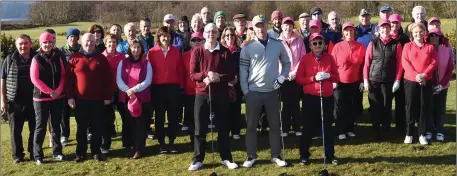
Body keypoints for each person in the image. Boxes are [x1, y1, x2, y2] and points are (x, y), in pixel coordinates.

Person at [240, 15, 290, 168]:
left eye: (262, 25)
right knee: (251, 126)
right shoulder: (247, 47)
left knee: (275, 125)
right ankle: (251, 155)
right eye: (257, 26)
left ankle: (276, 155)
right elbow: (243, 71)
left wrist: (282, 77)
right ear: (253, 28)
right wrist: (246, 91)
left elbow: (287, 62)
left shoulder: (277, 44)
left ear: (267, 26)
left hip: (272, 91)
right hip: (253, 91)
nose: (260, 29)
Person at [188, 23, 238, 171]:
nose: (211, 34)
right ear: (204, 34)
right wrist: (205, 75)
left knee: (223, 127)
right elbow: (193, 74)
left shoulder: (225, 52)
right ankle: (198, 159)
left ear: (218, 34)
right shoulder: (197, 52)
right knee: (200, 128)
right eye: (208, 32)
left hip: (221, 94)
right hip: (202, 94)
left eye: (214, 32)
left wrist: (218, 77)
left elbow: (231, 74)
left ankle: (226, 158)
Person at [66, 33, 113, 162]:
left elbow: (108, 79)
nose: (89, 44)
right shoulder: (74, 58)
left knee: (97, 127)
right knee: (81, 128)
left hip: (98, 100)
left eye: (92, 41)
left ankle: (96, 152)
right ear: (81, 41)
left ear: (95, 42)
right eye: (87, 41)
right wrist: (70, 97)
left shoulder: (101, 59)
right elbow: (68, 79)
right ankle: (80, 153)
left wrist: (107, 96)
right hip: (80, 100)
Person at [296, 33, 339, 165]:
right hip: (311, 98)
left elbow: (336, 77)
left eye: (320, 43)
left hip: (326, 97)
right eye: (314, 43)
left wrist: (328, 75)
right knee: (308, 128)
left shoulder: (330, 58)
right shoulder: (305, 59)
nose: (318, 45)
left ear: (324, 45)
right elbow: (299, 79)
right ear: (310, 45)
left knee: (327, 127)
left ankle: (330, 155)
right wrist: (313, 78)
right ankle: (304, 155)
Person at [363, 19, 403, 141]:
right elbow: (366, 63)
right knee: (375, 107)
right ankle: (375, 131)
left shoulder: (396, 44)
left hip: (388, 81)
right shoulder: (372, 43)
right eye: (382, 28)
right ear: (378, 29)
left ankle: (386, 131)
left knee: (386, 106)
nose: (384, 30)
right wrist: (365, 79)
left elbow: (400, 64)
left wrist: (397, 80)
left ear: (390, 29)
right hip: (373, 79)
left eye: (387, 27)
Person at [30, 32, 66, 165]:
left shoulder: (58, 57)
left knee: (56, 126)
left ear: (53, 43)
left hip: (57, 97)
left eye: (50, 42)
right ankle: (38, 155)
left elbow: (63, 75)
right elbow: (35, 79)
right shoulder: (36, 59)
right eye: (45, 42)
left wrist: (58, 90)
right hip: (41, 99)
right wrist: (50, 92)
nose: (48, 44)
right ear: (41, 43)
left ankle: (57, 152)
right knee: (40, 127)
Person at [1, 34, 37, 163]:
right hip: (14, 101)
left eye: (26, 43)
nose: (23, 46)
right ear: (16, 45)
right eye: (20, 43)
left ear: (30, 43)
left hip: (34, 100)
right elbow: (3, 80)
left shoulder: (37, 57)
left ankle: (34, 153)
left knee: (35, 128)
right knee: (15, 130)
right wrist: (2, 101)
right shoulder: (9, 59)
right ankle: (18, 156)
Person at [147, 26, 183, 153]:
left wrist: (181, 87)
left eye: (168, 36)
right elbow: (148, 72)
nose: (166, 38)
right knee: (160, 117)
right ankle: (161, 143)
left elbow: (180, 70)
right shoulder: (152, 52)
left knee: (173, 117)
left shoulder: (176, 51)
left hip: (173, 88)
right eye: (163, 36)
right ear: (159, 37)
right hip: (158, 88)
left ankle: (172, 142)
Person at [116, 39, 152, 159]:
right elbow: (119, 79)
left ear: (141, 49)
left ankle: (139, 148)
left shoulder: (146, 63)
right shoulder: (123, 62)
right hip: (126, 98)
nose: (136, 50)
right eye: (133, 47)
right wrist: (128, 90)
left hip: (141, 98)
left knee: (140, 125)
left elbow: (148, 80)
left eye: (138, 47)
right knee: (129, 124)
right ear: (130, 49)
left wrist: (134, 90)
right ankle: (130, 147)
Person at [402, 23, 437, 145]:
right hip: (410, 80)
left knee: (423, 107)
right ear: (412, 33)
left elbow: (433, 63)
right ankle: (409, 133)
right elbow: (405, 62)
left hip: (425, 81)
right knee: (411, 107)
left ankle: (421, 133)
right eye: (416, 32)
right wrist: (416, 75)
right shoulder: (407, 46)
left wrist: (424, 75)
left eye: (421, 32)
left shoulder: (430, 47)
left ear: (425, 33)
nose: (418, 34)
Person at [331, 22, 366, 140]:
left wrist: (362, 81)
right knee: (340, 106)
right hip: (339, 82)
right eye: (346, 31)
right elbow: (332, 65)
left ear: (354, 32)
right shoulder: (338, 46)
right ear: (343, 33)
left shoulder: (361, 47)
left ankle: (350, 129)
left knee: (352, 106)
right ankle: (340, 130)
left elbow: (363, 66)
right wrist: (333, 80)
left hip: (355, 82)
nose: (349, 33)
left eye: (351, 30)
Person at [278, 16, 306, 137]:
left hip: (295, 76)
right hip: (283, 77)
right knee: (286, 104)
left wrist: (294, 72)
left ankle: (297, 127)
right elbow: (277, 59)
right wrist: (285, 73)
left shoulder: (299, 40)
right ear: (282, 27)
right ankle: (285, 129)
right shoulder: (277, 42)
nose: (288, 27)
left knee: (295, 103)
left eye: (290, 25)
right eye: (285, 25)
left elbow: (302, 57)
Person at [425, 28, 454, 142]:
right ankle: (429, 130)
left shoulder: (446, 49)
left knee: (440, 109)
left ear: (440, 37)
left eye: (436, 36)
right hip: (429, 85)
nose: (434, 38)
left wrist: (442, 85)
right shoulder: (427, 49)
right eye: (431, 36)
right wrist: (430, 84)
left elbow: (449, 69)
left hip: (443, 86)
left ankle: (440, 131)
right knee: (429, 109)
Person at [101, 34, 126, 154]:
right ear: (105, 44)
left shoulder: (122, 57)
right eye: (109, 42)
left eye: (114, 42)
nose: (112, 44)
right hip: (107, 92)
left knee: (126, 117)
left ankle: (127, 143)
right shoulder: (101, 57)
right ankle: (105, 146)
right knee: (106, 120)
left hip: (121, 91)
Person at [59, 28, 81, 146]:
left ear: (78, 38)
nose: (73, 39)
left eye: (75, 36)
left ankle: (84, 132)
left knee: (80, 111)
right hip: (64, 86)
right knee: (64, 112)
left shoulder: (82, 49)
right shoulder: (61, 51)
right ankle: (64, 135)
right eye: (70, 36)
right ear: (67, 38)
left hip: (79, 86)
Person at [182, 32, 204, 147]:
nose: (196, 42)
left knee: (201, 118)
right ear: (190, 42)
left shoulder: (206, 53)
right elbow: (182, 73)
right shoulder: (185, 55)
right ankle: (193, 141)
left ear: (203, 41)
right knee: (191, 118)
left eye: (199, 40)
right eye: (194, 40)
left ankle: (202, 141)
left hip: (203, 91)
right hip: (189, 91)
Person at [221, 26, 242, 139]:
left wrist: (236, 79)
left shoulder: (239, 51)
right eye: (227, 35)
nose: (229, 37)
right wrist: (227, 81)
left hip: (237, 83)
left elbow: (243, 67)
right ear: (223, 37)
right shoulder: (220, 50)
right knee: (225, 109)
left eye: (231, 35)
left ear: (235, 36)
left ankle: (235, 131)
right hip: (223, 84)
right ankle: (225, 131)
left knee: (236, 108)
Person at [389, 14, 409, 133]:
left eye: (396, 22)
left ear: (400, 23)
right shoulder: (385, 37)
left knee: (400, 101)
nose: (394, 25)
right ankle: (385, 125)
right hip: (388, 74)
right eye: (392, 22)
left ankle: (400, 126)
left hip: (402, 74)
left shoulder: (404, 38)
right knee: (386, 102)